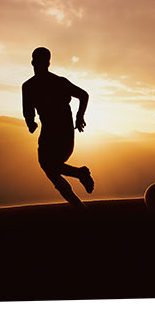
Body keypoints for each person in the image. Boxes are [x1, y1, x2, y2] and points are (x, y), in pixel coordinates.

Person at [22, 47, 94, 211]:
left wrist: (30, 123)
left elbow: (27, 112)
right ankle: (79, 205)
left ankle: (80, 179)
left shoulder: (30, 86)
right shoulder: (57, 82)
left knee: (49, 166)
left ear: (33, 62)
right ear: (48, 63)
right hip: (60, 133)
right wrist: (79, 116)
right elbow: (83, 95)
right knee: (51, 168)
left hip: (57, 133)